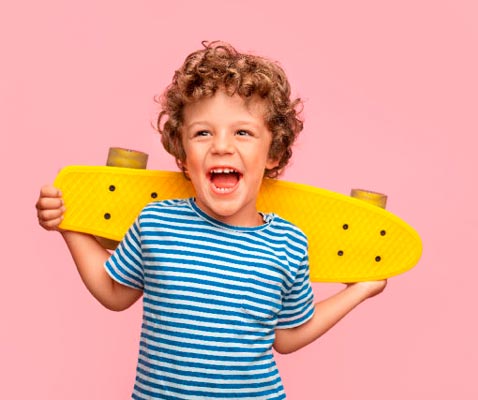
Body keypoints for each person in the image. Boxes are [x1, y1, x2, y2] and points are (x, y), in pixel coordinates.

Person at [36, 41, 386, 400]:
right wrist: (68, 224)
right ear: (183, 155)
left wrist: (359, 291)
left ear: (274, 152)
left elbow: (287, 335)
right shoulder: (157, 223)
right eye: (203, 133)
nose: (221, 146)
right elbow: (114, 293)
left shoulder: (288, 242)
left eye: (243, 132)